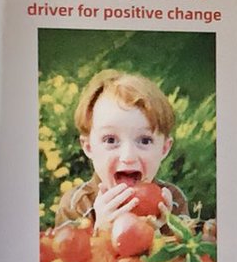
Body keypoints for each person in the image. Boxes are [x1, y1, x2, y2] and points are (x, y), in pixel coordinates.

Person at [55, 69, 188, 232]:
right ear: (88, 147)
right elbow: (64, 253)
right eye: (110, 140)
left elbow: (188, 254)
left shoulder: (172, 202)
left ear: (164, 149)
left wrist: (164, 229)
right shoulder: (76, 205)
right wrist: (102, 231)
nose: (128, 157)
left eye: (144, 140)